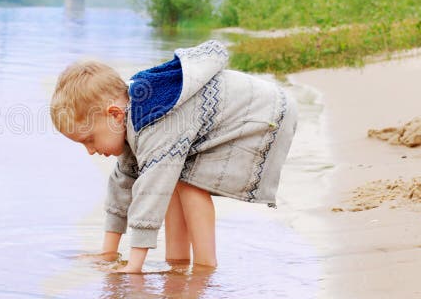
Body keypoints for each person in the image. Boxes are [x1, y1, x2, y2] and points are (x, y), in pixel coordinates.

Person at [50, 40, 298, 273]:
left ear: (114, 115)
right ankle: (178, 265)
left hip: (263, 112)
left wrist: (134, 266)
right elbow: (121, 184)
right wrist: (108, 252)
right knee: (174, 176)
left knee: (189, 182)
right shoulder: (131, 121)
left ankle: (204, 268)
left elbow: (151, 194)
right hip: (243, 111)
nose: (90, 151)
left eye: (90, 139)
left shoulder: (153, 123)